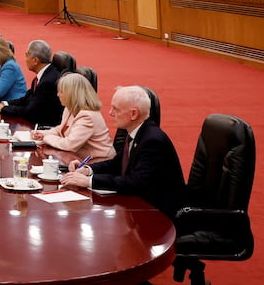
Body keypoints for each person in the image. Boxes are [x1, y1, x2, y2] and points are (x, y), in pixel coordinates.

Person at [60, 85, 185, 217]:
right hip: (137, 205)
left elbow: (135, 182)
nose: (110, 113)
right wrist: (87, 170)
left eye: (116, 109)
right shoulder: (137, 131)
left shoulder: (152, 141)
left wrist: (89, 181)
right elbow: (118, 163)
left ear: (133, 114)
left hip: (157, 215)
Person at [32, 72, 115, 163]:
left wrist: (46, 138)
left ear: (71, 94)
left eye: (61, 91)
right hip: (78, 159)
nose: (58, 95)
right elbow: (61, 130)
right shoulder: (69, 108)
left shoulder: (87, 116)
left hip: (98, 164)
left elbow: (69, 145)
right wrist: (43, 133)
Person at [0, 39, 63, 126]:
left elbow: (30, 111)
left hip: (43, 127)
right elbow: (26, 99)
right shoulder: (43, 75)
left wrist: (3, 109)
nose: (25, 59)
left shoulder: (47, 82)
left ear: (35, 60)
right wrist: (4, 103)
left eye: (27, 56)